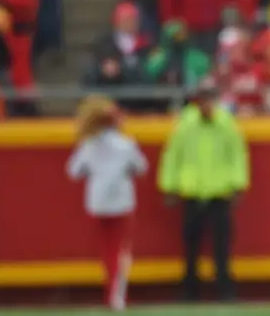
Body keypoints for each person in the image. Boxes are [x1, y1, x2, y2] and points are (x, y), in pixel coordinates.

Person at [157, 76, 250, 302]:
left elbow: (237, 154)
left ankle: (224, 290)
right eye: (204, 98)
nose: (207, 103)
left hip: (219, 191)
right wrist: (169, 186)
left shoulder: (225, 123)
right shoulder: (187, 123)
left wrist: (238, 184)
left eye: (211, 98)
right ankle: (191, 291)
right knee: (191, 246)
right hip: (193, 191)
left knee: (221, 247)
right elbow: (173, 155)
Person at [66, 95, 148, 311]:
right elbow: (141, 168)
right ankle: (117, 295)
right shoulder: (126, 145)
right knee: (122, 250)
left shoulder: (88, 144)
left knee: (107, 250)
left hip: (98, 202)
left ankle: (111, 291)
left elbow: (73, 172)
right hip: (121, 202)